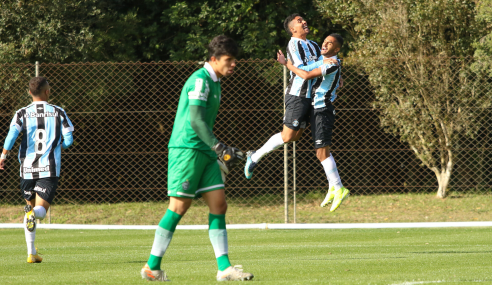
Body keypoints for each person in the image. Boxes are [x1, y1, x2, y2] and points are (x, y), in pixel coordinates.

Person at [140, 35, 254, 282]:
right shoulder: (200, 81)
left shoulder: (215, 82)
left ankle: (224, 268)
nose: (234, 64)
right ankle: (151, 266)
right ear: (213, 59)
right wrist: (219, 146)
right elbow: (195, 120)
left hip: (203, 151)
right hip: (187, 150)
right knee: (178, 207)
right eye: (229, 60)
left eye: (235, 59)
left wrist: (215, 148)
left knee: (219, 205)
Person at [0, 77, 74, 263]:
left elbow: (11, 136)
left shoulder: (21, 113)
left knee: (29, 210)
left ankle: (31, 253)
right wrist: (59, 146)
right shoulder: (58, 112)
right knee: (39, 211)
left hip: (26, 169)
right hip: (48, 169)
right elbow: (69, 140)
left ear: (29, 93)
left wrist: (3, 156)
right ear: (47, 92)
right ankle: (34, 216)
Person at [277, 34, 349, 212]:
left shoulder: (331, 63)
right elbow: (309, 68)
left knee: (323, 152)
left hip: (322, 110)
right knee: (320, 153)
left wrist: (286, 63)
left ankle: (339, 188)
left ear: (337, 49)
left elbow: (306, 74)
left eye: (329, 43)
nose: (324, 44)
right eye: (324, 41)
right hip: (316, 109)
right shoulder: (324, 60)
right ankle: (334, 187)